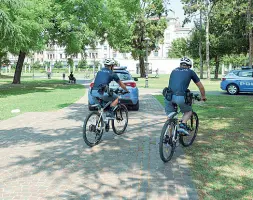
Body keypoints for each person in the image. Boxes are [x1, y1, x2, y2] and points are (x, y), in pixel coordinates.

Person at [165, 57, 206, 136]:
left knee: (170, 117)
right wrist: (203, 96)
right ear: (189, 66)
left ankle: (169, 137)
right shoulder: (190, 72)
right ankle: (183, 124)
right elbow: (200, 87)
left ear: (180, 65)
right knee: (188, 111)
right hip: (180, 97)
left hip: (168, 96)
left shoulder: (173, 71)